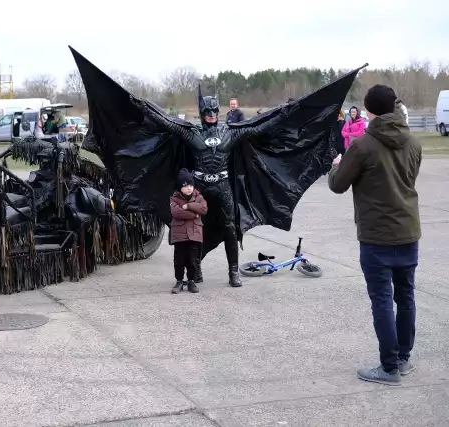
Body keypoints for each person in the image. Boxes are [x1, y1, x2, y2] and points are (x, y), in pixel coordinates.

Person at [70, 46, 362, 289]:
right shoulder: (192, 134)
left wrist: (286, 112)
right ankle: (194, 273)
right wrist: (142, 106)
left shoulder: (231, 133)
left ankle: (233, 272)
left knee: (230, 228)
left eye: (214, 111)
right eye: (207, 111)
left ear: (218, 112)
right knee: (192, 230)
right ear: (201, 113)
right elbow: (167, 124)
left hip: (222, 186)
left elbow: (261, 126)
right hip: (198, 189)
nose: (211, 115)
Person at [328, 84, 422, 386]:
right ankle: (403, 358)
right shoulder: (413, 142)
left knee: (382, 299)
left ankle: (389, 366)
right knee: (405, 296)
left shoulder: (363, 145)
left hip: (376, 236)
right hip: (408, 231)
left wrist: (336, 167)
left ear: (368, 110)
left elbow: (338, 185)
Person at [169, 168, 208, 294]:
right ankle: (179, 281)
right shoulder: (174, 199)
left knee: (193, 259)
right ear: (180, 187)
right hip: (180, 235)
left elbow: (203, 209)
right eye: (185, 186)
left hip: (194, 234)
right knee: (179, 259)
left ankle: (191, 280)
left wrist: (190, 206)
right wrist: (194, 215)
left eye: (191, 185)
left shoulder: (199, 197)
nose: (189, 188)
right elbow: (176, 212)